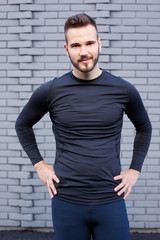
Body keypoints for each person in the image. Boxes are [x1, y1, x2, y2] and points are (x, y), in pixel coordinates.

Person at [15, 13, 152, 240]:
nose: (84, 52)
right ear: (66, 49)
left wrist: (134, 170)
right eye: (76, 45)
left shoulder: (123, 90)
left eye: (89, 43)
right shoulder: (51, 91)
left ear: (99, 44)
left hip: (110, 200)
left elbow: (144, 127)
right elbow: (22, 124)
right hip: (67, 201)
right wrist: (40, 165)